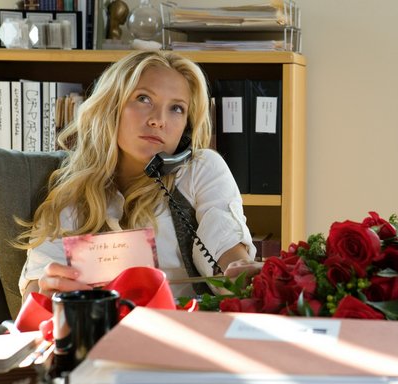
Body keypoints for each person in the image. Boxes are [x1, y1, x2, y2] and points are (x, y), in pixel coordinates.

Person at [17, 51, 260, 300]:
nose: (158, 120)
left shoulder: (200, 168)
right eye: (144, 99)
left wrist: (239, 275)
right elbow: (35, 293)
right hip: (105, 323)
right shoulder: (74, 193)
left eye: (176, 108)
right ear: (112, 106)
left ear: (186, 128)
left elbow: (226, 246)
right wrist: (48, 292)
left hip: (186, 321)